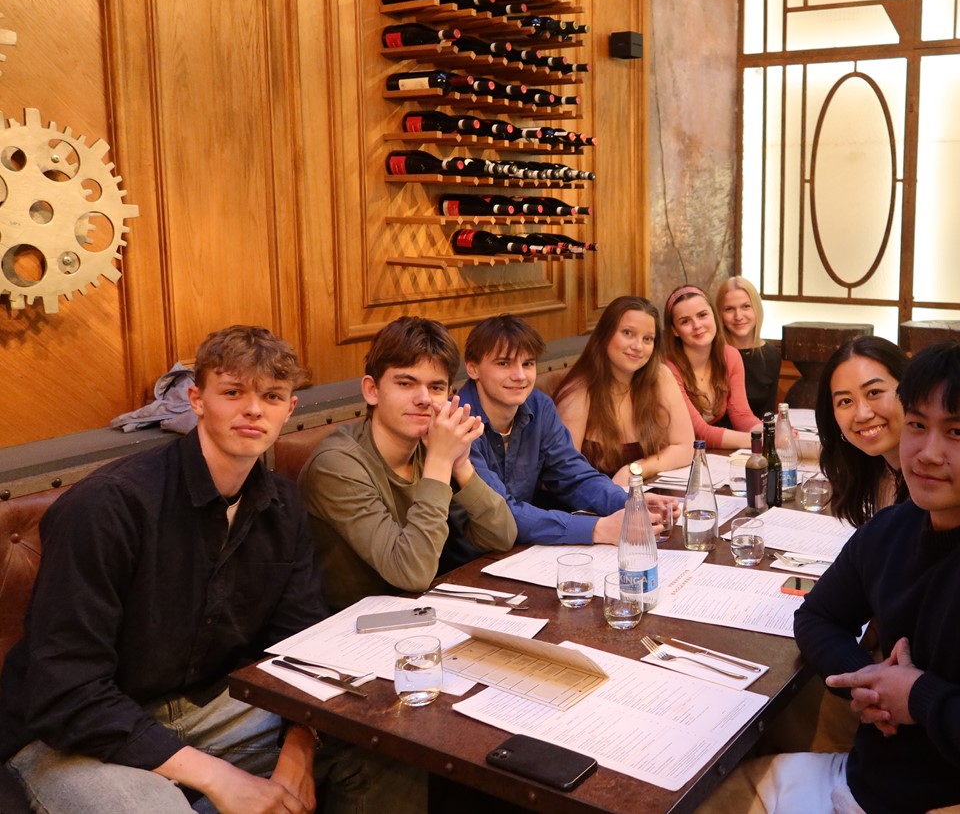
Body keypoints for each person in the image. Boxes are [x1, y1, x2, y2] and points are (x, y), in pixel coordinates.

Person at [0, 326, 423, 814]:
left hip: (214, 707)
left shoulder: (283, 505)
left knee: (387, 743)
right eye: (233, 392)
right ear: (197, 400)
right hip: (76, 730)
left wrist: (300, 747)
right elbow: (67, 689)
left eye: (271, 396)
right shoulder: (108, 506)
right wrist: (221, 778)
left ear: (289, 409)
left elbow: (298, 645)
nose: (254, 409)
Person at [702, 342, 960, 814]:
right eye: (916, 425)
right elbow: (817, 616)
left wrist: (917, 697)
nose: (927, 453)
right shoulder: (898, 526)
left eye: (957, 432)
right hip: (865, 777)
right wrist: (868, 683)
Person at [299, 316, 517, 611]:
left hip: (422, 610)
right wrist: (440, 462)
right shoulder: (336, 464)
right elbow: (411, 573)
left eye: (436, 388)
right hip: (350, 624)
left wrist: (460, 465)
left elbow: (502, 536)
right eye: (405, 383)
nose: (424, 399)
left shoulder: (432, 445)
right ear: (372, 390)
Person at [456, 314, 670, 544]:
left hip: (521, 550)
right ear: (473, 368)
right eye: (503, 363)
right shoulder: (457, 423)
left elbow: (574, 476)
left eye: (527, 364)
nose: (519, 376)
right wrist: (598, 529)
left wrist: (630, 502)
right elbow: (502, 512)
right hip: (470, 557)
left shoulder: (539, 407)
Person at [554, 296, 695, 485]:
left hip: (647, 496)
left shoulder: (659, 376)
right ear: (605, 334)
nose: (638, 347)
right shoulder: (579, 391)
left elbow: (686, 448)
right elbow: (566, 475)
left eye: (647, 339)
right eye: (628, 333)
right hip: (595, 501)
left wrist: (635, 470)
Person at [815, 336, 907, 527]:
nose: (862, 415)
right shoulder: (880, 471)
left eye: (874, 392)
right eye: (846, 401)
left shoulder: (935, 484)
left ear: (910, 389)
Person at [664, 285, 761, 450]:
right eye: (685, 321)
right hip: (670, 454)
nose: (697, 325)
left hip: (705, 454)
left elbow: (742, 415)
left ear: (714, 316)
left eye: (702, 315)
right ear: (675, 330)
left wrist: (769, 432)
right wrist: (758, 441)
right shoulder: (668, 369)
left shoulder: (730, 356)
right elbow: (699, 432)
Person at [716, 276, 782, 416]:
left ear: (756, 308)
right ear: (719, 314)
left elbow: (768, 412)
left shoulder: (771, 355)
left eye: (746, 306)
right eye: (729, 309)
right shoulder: (713, 354)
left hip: (758, 428)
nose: (738, 316)